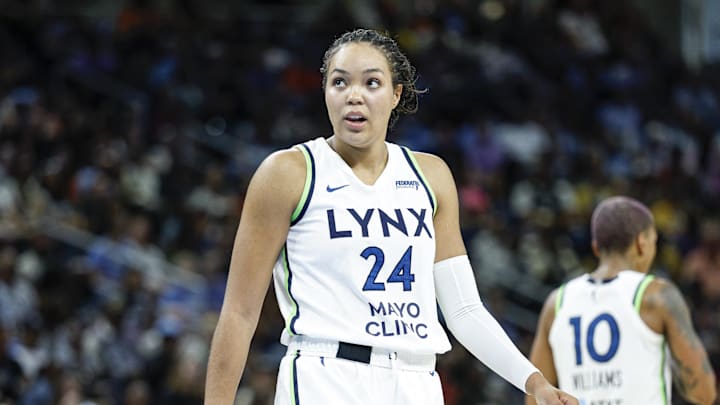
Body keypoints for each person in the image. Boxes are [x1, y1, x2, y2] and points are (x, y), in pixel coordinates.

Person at [204, 28, 578, 405]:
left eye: (372, 82)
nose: (354, 95)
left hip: (417, 380)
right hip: (327, 374)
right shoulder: (288, 173)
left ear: (395, 93)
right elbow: (239, 312)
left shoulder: (430, 176)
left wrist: (534, 383)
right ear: (325, 91)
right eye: (339, 82)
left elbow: (463, 309)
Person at [526, 196, 717, 405]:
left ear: (596, 247)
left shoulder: (556, 303)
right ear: (641, 243)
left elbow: (534, 398)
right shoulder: (656, 295)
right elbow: (703, 393)